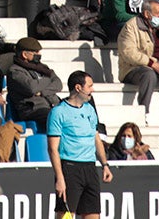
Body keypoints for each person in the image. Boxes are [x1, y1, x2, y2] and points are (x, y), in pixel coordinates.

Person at [47, 70, 112, 219]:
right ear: (78, 88)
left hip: (89, 167)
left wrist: (105, 164)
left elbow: (95, 137)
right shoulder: (58, 112)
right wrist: (60, 178)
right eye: (89, 86)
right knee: (66, 215)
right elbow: (53, 149)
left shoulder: (90, 109)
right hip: (70, 168)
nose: (92, 90)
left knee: (93, 214)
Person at [6, 37, 63, 131]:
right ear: (24, 54)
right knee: (54, 117)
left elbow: (58, 84)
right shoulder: (15, 71)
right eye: (35, 52)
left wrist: (42, 92)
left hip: (53, 104)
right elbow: (31, 88)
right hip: (33, 109)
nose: (39, 54)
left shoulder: (43, 67)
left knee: (81, 106)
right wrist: (48, 79)